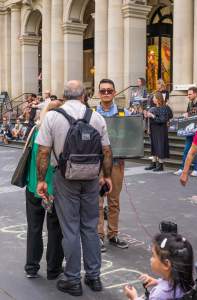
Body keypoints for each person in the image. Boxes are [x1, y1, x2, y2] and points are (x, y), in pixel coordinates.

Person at [36, 80, 113, 296]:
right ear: (83, 96)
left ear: (64, 95)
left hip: (64, 177)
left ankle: (72, 279)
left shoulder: (52, 117)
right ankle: (94, 276)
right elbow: (106, 151)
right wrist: (106, 176)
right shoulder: (96, 117)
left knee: (69, 228)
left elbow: (43, 152)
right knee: (89, 227)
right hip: (90, 178)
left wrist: (42, 180)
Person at [24, 100, 64, 280]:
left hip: (34, 186)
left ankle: (31, 266)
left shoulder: (35, 129)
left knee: (34, 227)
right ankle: (53, 268)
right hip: (53, 188)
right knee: (55, 228)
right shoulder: (60, 132)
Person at [96, 78, 129, 252]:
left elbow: (133, 135)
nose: (106, 93)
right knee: (98, 201)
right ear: (99, 93)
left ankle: (113, 234)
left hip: (116, 163)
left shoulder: (125, 113)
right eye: (103, 91)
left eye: (109, 90)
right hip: (97, 165)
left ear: (114, 92)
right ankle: (99, 236)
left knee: (114, 200)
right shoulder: (92, 114)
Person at [124, 232, 194, 300]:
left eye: (153, 256)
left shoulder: (159, 295)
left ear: (166, 264)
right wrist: (158, 281)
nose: (151, 259)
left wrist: (134, 297)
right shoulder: (187, 282)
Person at [174, 87, 197, 177]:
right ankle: (182, 168)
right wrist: (186, 114)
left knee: (196, 151)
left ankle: (196, 169)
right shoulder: (189, 104)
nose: (188, 96)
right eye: (188, 94)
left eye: (190, 94)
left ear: (195, 94)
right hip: (190, 130)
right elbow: (189, 114)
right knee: (186, 150)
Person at [144, 91, 173, 172]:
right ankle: (154, 163)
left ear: (158, 99)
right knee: (154, 146)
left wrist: (152, 116)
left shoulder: (165, 107)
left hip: (160, 129)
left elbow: (163, 119)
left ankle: (160, 165)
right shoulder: (154, 107)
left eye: (154, 98)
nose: (153, 99)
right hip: (153, 129)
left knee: (160, 146)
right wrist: (147, 115)